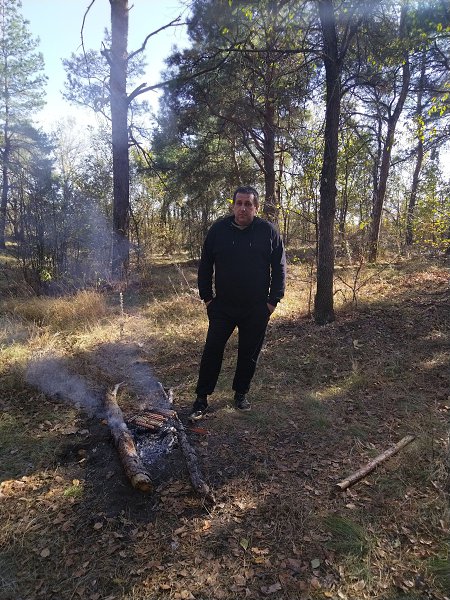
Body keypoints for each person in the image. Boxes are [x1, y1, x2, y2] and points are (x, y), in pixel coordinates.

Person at [189, 185, 286, 421]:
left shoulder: (268, 232)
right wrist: (207, 298)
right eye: (239, 203)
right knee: (212, 350)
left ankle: (241, 394)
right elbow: (205, 265)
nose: (242, 208)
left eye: (248, 204)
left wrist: (272, 302)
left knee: (249, 353)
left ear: (256, 207)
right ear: (233, 206)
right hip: (222, 307)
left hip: (256, 308)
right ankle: (202, 397)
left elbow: (280, 267)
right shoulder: (218, 230)